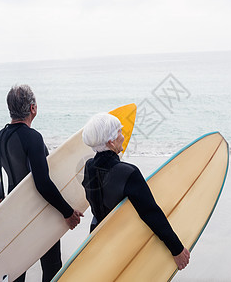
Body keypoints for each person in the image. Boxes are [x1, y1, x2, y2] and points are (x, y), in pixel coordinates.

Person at [0, 85, 83, 282]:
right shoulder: (33, 138)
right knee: (52, 265)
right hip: (39, 211)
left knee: (17, 267)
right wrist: (67, 212)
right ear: (32, 108)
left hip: (13, 210)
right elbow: (42, 182)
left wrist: (2, 200)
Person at [81, 113, 190, 270]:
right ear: (111, 142)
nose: (123, 136)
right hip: (125, 245)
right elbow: (151, 212)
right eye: (119, 132)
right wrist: (177, 249)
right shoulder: (128, 172)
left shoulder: (89, 166)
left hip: (97, 238)